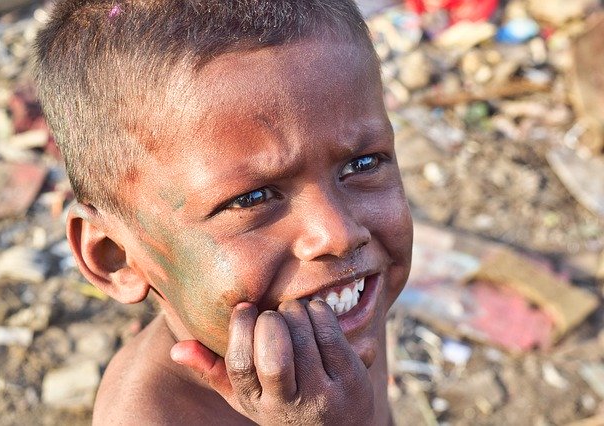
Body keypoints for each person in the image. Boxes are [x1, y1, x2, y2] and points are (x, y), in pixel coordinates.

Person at [34, 0, 413, 424]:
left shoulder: (335, 308)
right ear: (114, 257)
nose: (338, 234)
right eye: (252, 199)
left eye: (362, 164)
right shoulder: (149, 417)